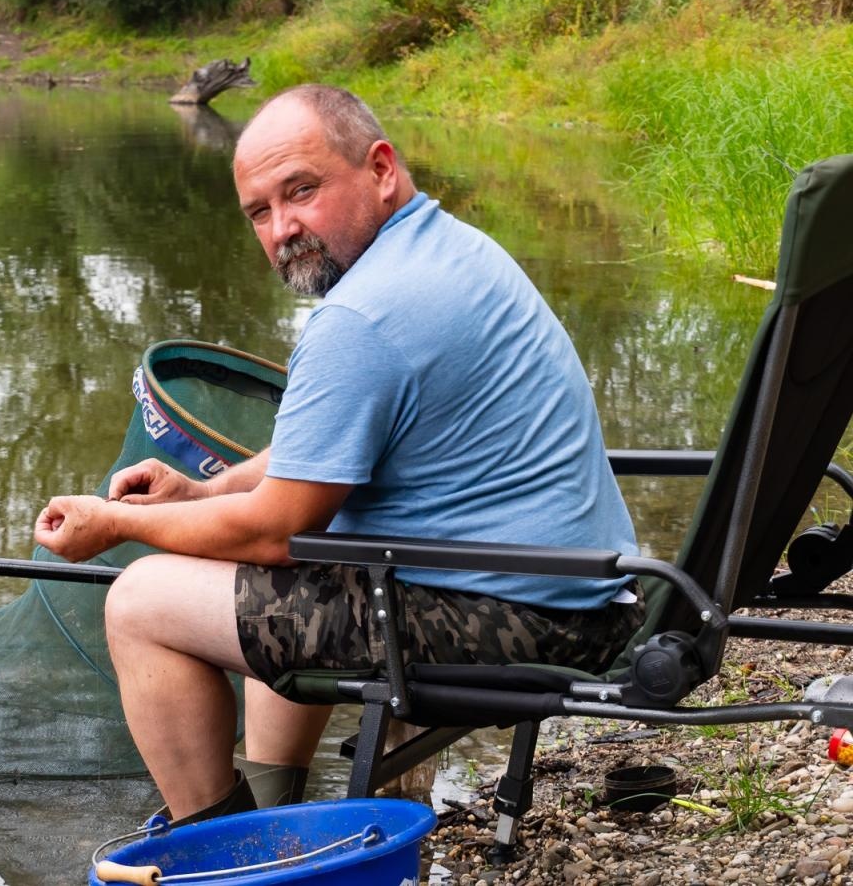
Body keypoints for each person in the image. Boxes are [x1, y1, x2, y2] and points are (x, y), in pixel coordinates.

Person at [34, 84, 644, 824]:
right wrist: (202, 493)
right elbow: (313, 457)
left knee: (140, 602)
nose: (283, 228)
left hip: (519, 617)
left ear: (381, 169)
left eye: (302, 191)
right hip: (585, 590)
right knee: (262, 577)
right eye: (259, 212)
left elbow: (274, 530)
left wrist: (116, 522)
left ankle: (225, 849)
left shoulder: (361, 316)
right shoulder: (446, 247)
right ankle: (274, 810)